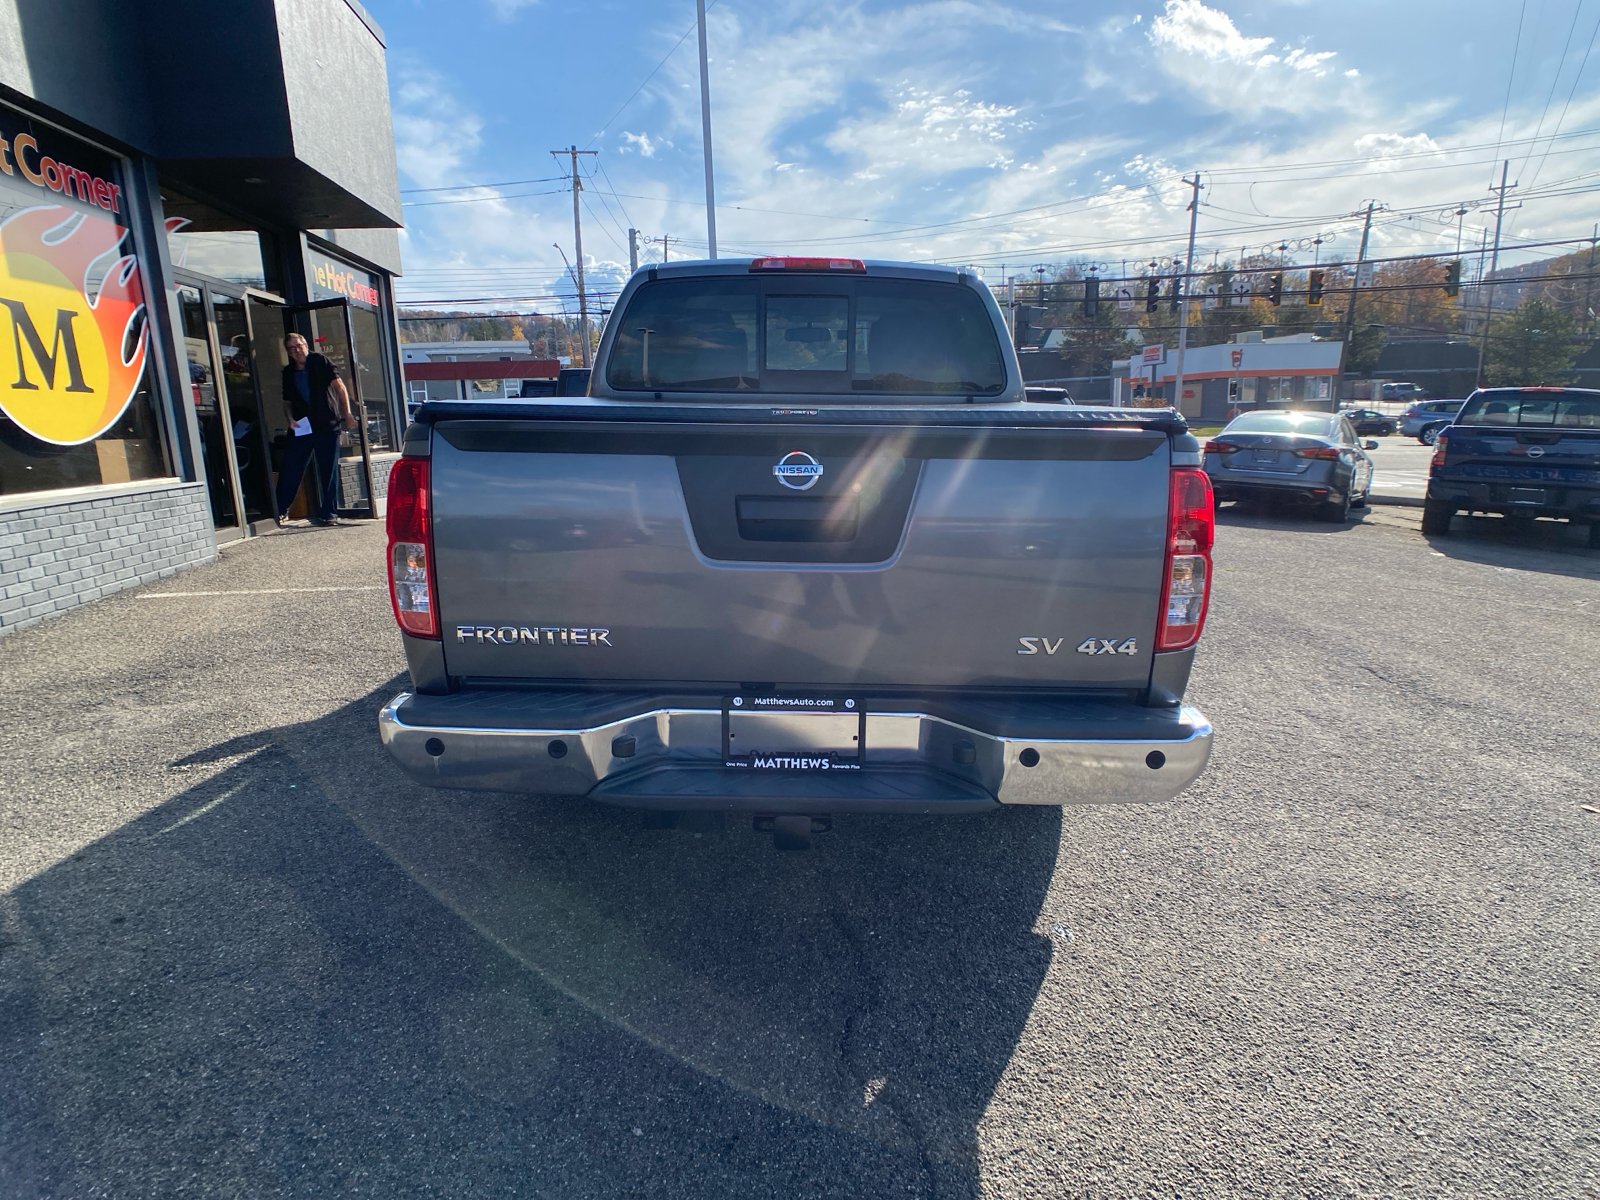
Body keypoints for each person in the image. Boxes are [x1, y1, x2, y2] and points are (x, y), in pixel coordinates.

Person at [274, 332, 357, 526]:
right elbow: (287, 401)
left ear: (306, 345)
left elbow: (339, 387)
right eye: (292, 348)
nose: (297, 350)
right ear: (288, 352)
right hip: (302, 425)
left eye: (299, 345)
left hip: (327, 423)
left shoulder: (319, 361)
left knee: (328, 470)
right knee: (291, 467)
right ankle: (280, 510)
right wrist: (290, 419)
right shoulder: (288, 372)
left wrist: (347, 413)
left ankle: (329, 514)